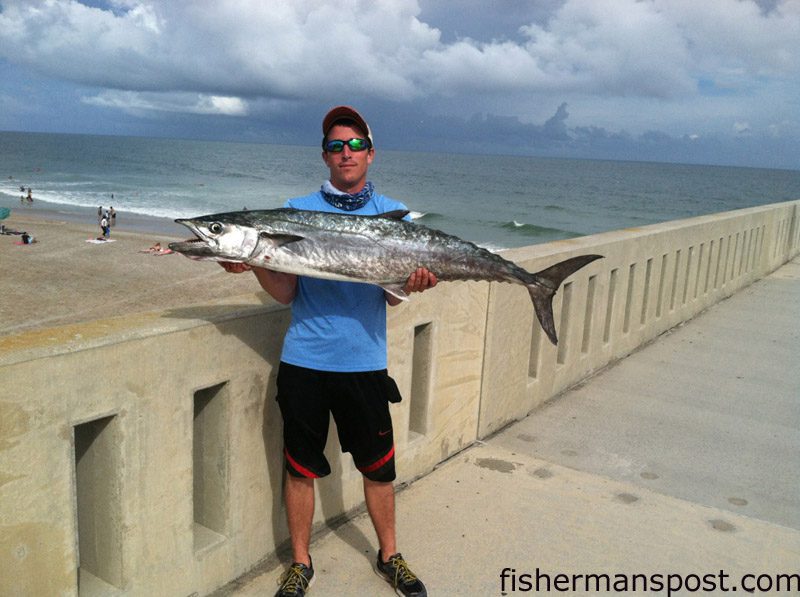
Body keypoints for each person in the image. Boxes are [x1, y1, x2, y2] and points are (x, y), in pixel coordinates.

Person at [220, 106, 435, 597]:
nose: (346, 153)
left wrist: (412, 283)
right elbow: (286, 293)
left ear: (371, 153)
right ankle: (300, 562)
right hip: (305, 360)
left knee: (379, 469)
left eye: (356, 144)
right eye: (337, 145)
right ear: (325, 155)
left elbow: (389, 293)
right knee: (301, 467)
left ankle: (390, 555)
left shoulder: (393, 213)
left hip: (364, 362)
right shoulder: (293, 209)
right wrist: (252, 259)